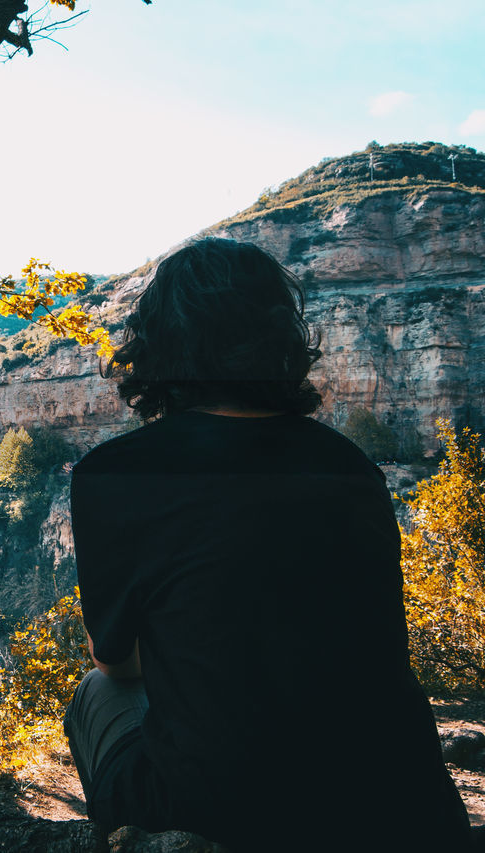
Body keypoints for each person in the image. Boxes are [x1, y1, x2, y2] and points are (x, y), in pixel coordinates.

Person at [62, 238, 473, 851]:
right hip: (403, 803)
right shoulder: (349, 464)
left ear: (156, 343)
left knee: (97, 693)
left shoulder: (116, 472)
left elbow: (115, 661)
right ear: (279, 340)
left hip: (222, 809)